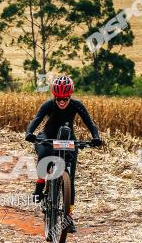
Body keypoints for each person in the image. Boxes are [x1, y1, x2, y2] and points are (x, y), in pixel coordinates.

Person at [24, 75, 103, 233]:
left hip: (68, 140)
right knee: (45, 153)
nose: (61, 101)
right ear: (54, 96)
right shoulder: (48, 105)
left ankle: (68, 218)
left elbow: (90, 122)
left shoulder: (76, 105)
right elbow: (36, 120)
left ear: (70, 95)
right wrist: (29, 133)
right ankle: (40, 184)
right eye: (58, 98)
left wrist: (96, 137)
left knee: (70, 180)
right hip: (47, 137)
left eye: (65, 98)